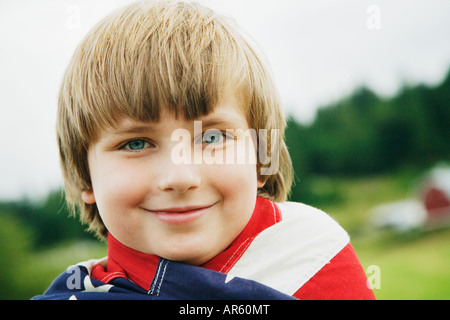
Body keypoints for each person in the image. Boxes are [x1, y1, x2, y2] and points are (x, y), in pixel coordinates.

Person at [33, 0, 375, 300]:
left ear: (260, 158)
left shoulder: (313, 258)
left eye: (212, 138)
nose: (180, 177)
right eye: (136, 143)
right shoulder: (76, 294)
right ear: (85, 176)